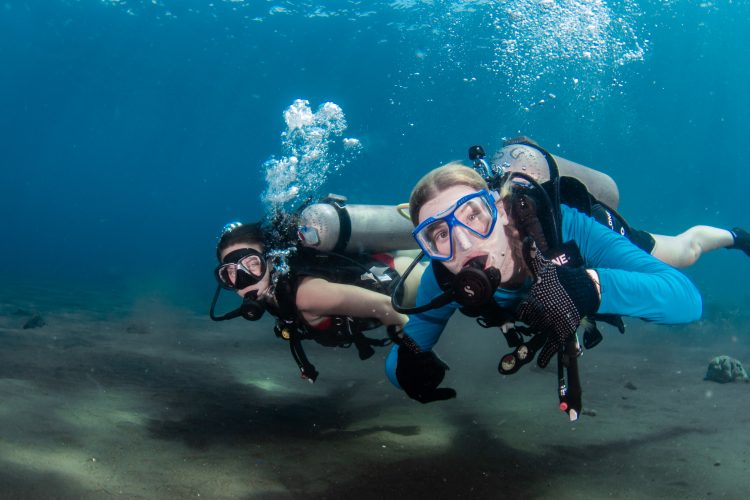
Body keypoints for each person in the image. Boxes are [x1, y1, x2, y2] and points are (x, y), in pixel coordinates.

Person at [385, 162, 703, 420]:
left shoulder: (564, 226)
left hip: (598, 240)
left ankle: (731, 236)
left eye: (472, 215)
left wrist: (589, 286)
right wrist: (406, 373)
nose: (464, 243)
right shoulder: (442, 278)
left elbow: (686, 298)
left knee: (684, 251)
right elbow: (409, 347)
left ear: (500, 209)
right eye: (440, 234)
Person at [210, 220, 424, 382]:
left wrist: (418, 354)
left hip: (403, 277)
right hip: (380, 265)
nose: (243, 280)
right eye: (229, 272)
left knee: (446, 266)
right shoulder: (274, 293)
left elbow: (385, 307)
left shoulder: (305, 295)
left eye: (252, 264)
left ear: (272, 260)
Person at [492, 139, 750, 268]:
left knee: (687, 250)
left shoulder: (584, 224)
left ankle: (736, 237)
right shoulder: (480, 216)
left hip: (605, 231)